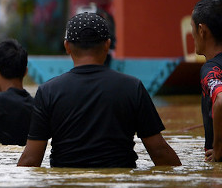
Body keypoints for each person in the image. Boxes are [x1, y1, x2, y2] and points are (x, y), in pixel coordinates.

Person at [18, 12, 181, 168]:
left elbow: (31, 159)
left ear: (67, 46)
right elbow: (159, 152)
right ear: (107, 45)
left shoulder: (48, 92)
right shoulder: (133, 87)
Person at [191, 0, 222, 162]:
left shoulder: (210, 69)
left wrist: (218, 149)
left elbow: (221, 101)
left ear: (202, 30)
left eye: (192, 29)